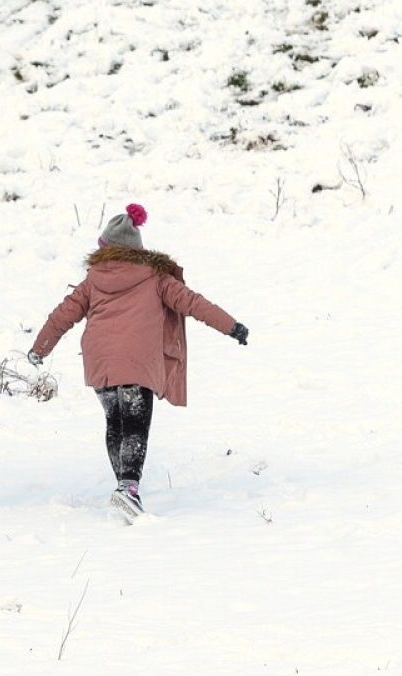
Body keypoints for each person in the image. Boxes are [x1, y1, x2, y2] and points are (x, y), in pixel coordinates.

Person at [27, 203, 248, 519]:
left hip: (100, 361)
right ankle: (128, 489)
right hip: (138, 362)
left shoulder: (92, 280)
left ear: (106, 248)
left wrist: (40, 348)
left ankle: (123, 486)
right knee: (135, 423)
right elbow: (193, 303)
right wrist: (231, 326)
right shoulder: (156, 278)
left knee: (116, 420)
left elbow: (64, 313)